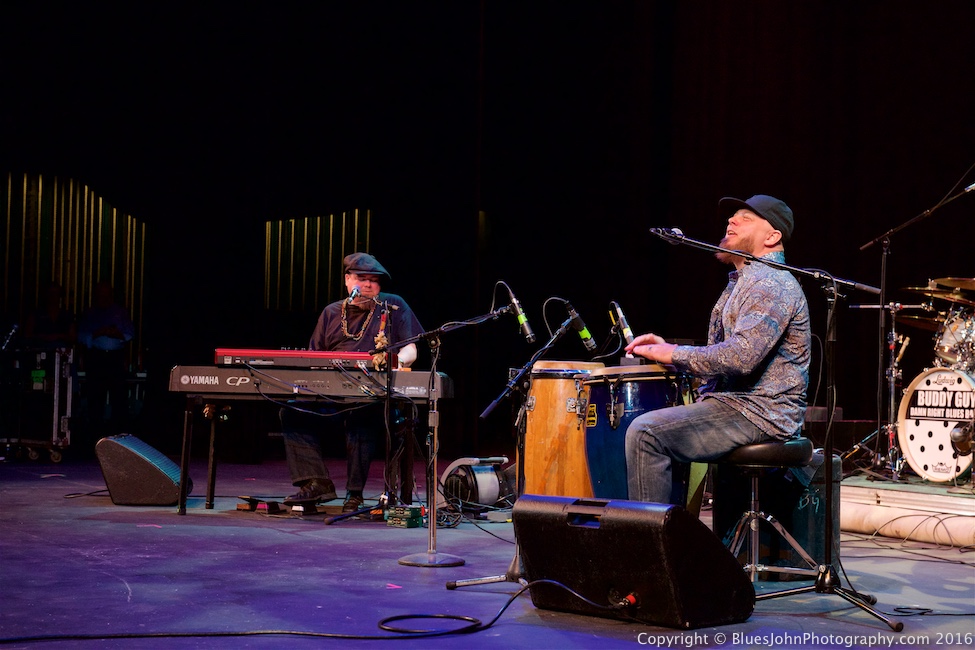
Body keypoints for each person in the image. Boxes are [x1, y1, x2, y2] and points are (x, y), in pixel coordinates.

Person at [624, 194, 811, 506]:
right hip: (738, 406)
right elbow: (726, 357)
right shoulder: (744, 281)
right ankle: (672, 541)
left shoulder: (771, 283)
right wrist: (674, 355)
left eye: (745, 217)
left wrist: (674, 352)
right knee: (654, 426)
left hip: (759, 414)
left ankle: (650, 552)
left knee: (646, 433)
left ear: (772, 236)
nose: (731, 221)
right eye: (732, 216)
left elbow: (740, 358)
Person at [280, 252, 424, 512]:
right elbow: (314, 359)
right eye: (361, 278)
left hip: (373, 394)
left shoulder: (392, 305)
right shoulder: (331, 313)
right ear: (348, 280)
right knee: (292, 410)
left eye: (374, 280)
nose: (368, 285)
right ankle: (316, 482)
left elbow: (411, 349)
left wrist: (397, 363)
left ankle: (354, 494)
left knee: (362, 414)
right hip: (331, 395)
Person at [77, 282, 136, 436]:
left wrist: (115, 333)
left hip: (115, 358)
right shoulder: (90, 313)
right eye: (100, 294)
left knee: (119, 397)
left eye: (106, 294)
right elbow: (81, 336)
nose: (103, 298)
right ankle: (95, 435)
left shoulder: (120, 313)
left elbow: (130, 334)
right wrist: (99, 332)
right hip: (96, 358)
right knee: (95, 397)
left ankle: (119, 435)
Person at [24, 281, 77, 349]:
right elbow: (27, 335)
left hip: (62, 352)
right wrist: (44, 337)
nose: (53, 296)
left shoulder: (67, 315)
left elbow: (73, 338)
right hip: (39, 350)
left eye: (56, 293)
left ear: (60, 296)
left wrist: (58, 336)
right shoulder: (36, 314)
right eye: (50, 293)